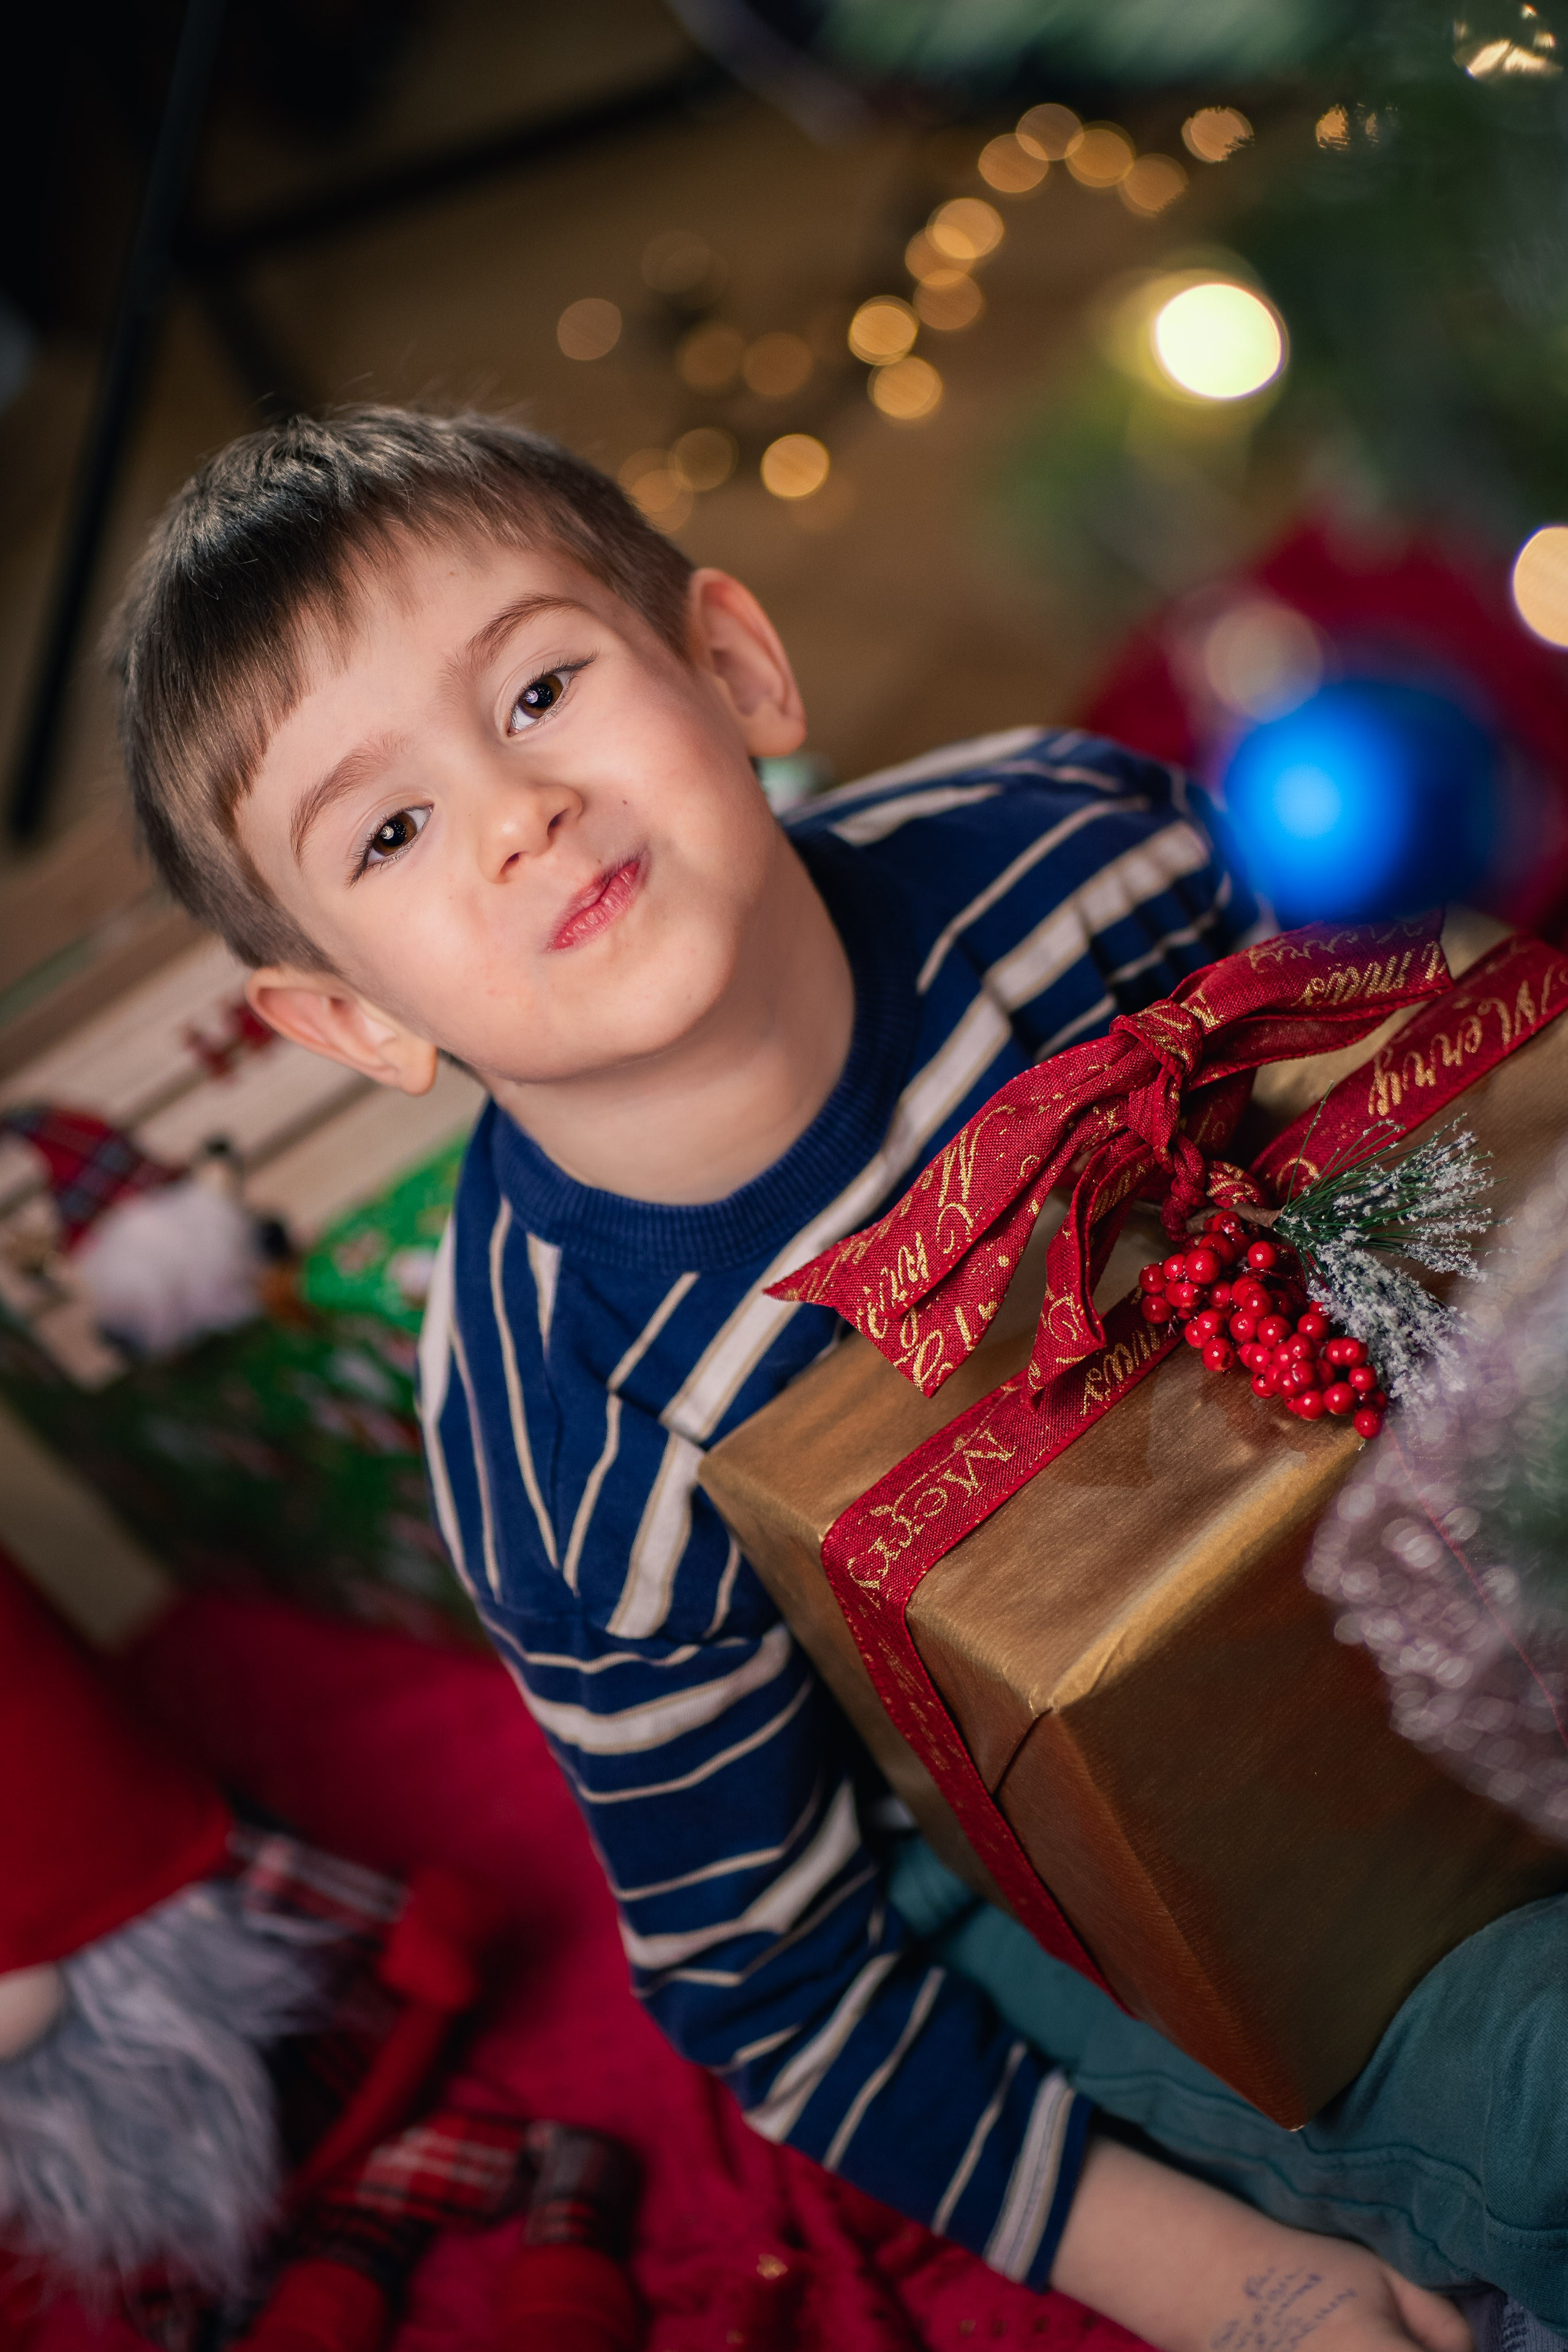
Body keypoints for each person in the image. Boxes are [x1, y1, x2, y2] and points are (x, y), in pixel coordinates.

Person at [111, 405, 1553, 2352]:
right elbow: (770, 1970)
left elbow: (1421, 1126)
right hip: (1051, 1853)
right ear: (349, 1016)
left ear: (733, 665)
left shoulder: (1077, 848)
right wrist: (1222, 2278)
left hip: (1394, 1459)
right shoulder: (572, 1419)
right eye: (389, 830)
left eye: (541, 687)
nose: (515, 807)